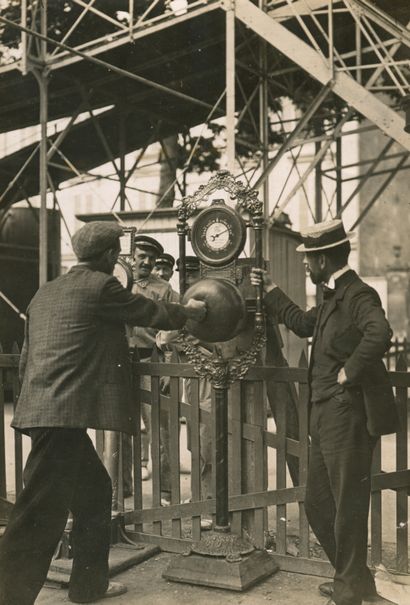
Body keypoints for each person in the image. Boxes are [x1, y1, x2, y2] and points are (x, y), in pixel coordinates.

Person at [0, 221, 206, 605]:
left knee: (94, 494)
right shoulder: (102, 286)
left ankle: (88, 587)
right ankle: (11, 596)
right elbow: (147, 310)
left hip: (45, 410)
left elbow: (28, 355)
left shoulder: (45, 291)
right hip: (62, 416)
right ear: (112, 256)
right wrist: (189, 311)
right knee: (38, 512)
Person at [250, 219, 398, 605]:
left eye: (307, 259)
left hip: (346, 416)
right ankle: (356, 582)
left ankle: (348, 594)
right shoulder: (332, 298)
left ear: (324, 258)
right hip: (325, 415)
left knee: (347, 506)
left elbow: (380, 332)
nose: (304, 265)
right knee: (318, 502)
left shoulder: (358, 295)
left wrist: (349, 371)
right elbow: (301, 324)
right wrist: (269, 290)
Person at [126, 235, 175, 496]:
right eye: (141, 256)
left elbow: (171, 329)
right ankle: (121, 487)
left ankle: (165, 491)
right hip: (121, 361)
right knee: (119, 427)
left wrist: (167, 367)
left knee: (158, 428)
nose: (146, 262)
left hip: (150, 360)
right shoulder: (119, 282)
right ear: (131, 255)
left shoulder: (163, 290)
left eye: (151, 259)